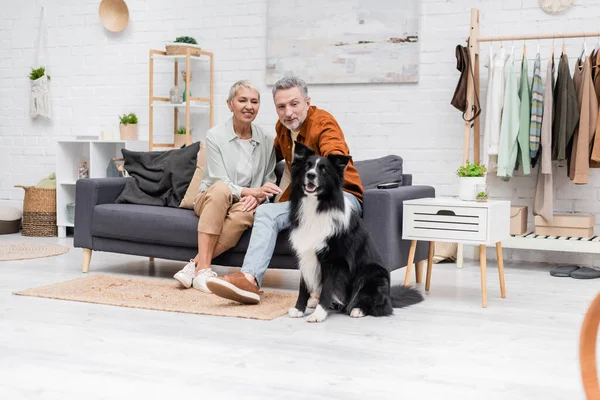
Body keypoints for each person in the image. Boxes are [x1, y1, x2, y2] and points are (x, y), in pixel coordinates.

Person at [206, 76, 364, 304]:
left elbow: (333, 154)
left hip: (342, 197)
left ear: (307, 102)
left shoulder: (323, 123)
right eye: (281, 106)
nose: (288, 112)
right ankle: (249, 280)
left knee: (324, 217)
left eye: (294, 104)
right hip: (306, 202)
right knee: (265, 213)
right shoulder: (282, 129)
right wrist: (246, 190)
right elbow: (265, 157)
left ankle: (328, 289)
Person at [173, 80, 282, 292]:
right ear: (230, 104)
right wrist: (252, 191)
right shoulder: (215, 136)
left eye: (254, 101)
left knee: (247, 213)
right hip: (211, 197)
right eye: (242, 100)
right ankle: (204, 269)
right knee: (222, 191)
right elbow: (218, 180)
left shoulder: (267, 141)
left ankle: (192, 267)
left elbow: (269, 180)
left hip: (241, 202)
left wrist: (259, 197)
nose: (249, 106)